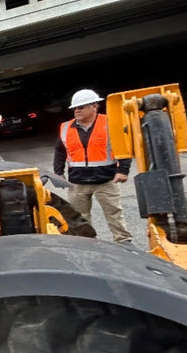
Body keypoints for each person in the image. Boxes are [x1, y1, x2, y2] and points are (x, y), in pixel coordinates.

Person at [53, 89, 133, 243]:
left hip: (106, 180)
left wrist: (123, 170)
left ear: (94, 107)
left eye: (81, 107)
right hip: (77, 182)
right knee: (78, 218)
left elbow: (124, 147)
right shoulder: (65, 128)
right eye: (75, 108)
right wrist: (59, 173)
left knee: (114, 213)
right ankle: (87, 243)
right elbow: (59, 151)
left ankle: (124, 242)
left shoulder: (110, 123)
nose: (76, 110)